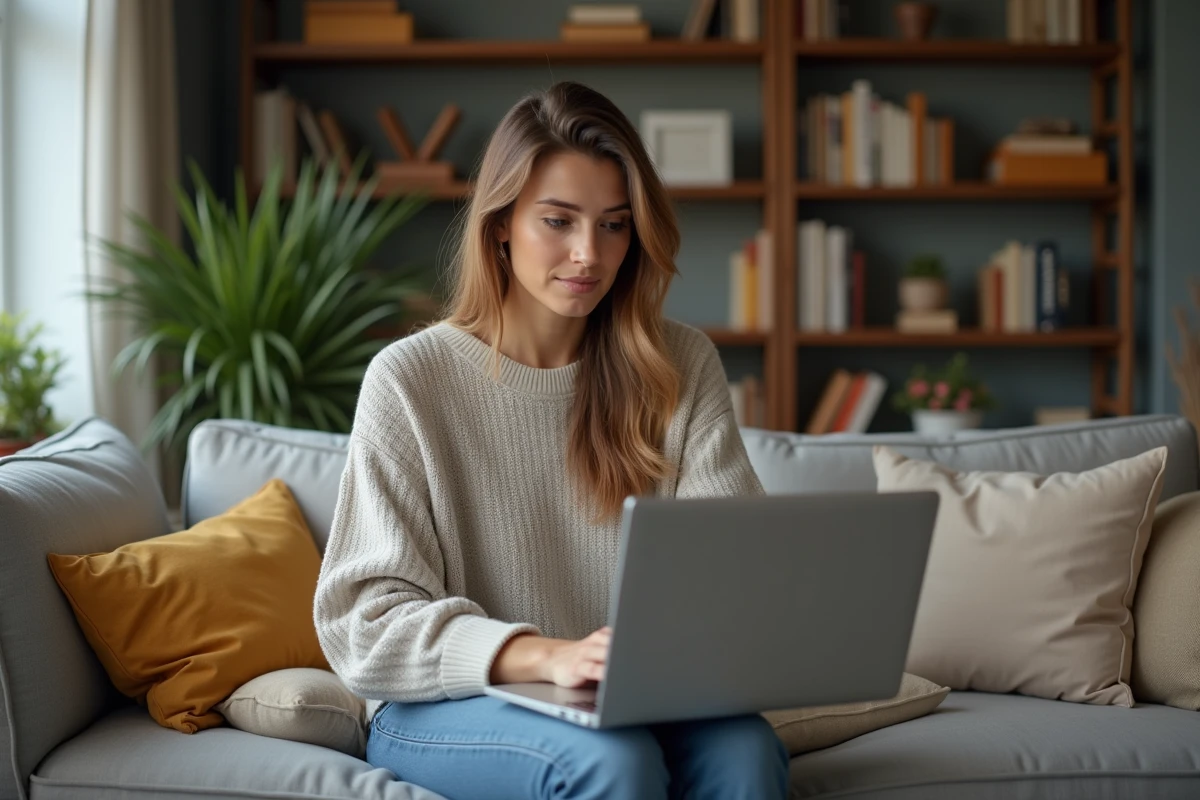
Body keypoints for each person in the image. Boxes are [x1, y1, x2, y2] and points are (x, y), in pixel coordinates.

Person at [314, 80, 788, 800]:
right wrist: (541, 656)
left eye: (615, 225)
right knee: (611, 762)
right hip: (451, 705)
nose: (588, 255)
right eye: (559, 221)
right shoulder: (410, 379)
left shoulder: (679, 363)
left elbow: (737, 571)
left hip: (635, 700)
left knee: (747, 752)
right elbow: (363, 624)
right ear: (501, 224)